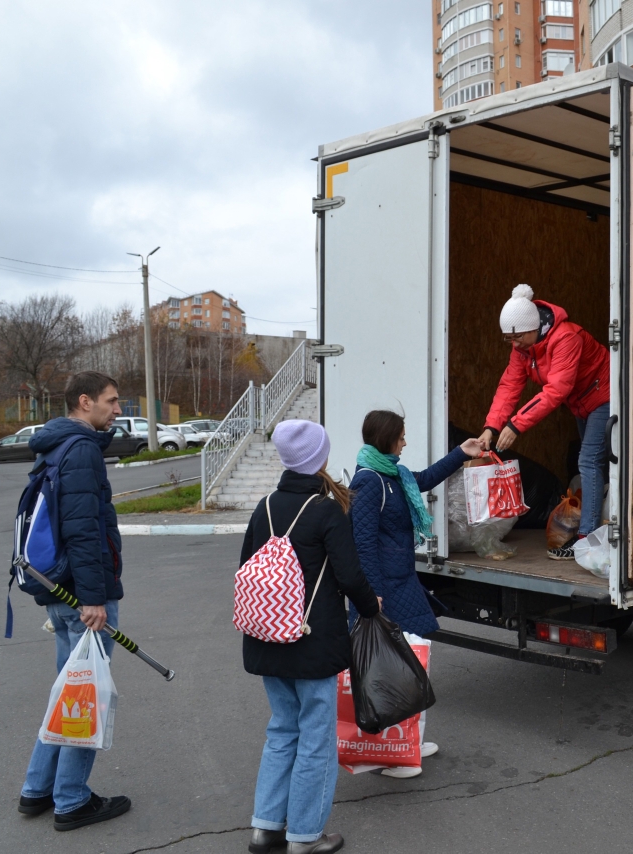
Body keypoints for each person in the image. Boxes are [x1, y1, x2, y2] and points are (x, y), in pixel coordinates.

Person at [241, 420, 380, 854]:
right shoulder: (323, 510)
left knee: (282, 730)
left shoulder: (263, 506)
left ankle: (266, 828)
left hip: (266, 637)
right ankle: (305, 836)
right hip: (311, 642)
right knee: (316, 738)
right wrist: (372, 607)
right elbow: (350, 574)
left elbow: (248, 567)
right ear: (318, 459)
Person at [18, 371, 131, 831]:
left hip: (57, 586)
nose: (118, 409)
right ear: (85, 402)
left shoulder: (55, 444)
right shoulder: (82, 449)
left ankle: (37, 789)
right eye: (112, 400)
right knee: (86, 694)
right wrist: (93, 599)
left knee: (69, 689)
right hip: (81, 594)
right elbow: (83, 530)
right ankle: (70, 799)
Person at [349, 410, 483, 779]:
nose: (405, 442)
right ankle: (392, 752)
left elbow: (423, 479)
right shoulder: (369, 482)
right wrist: (372, 595)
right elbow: (362, 545)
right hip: (386, 593)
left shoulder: (394, 475)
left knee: (412, 663)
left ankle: (407, 742)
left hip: (402, 584)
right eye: (401, 436)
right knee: (395, 670)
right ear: (386, 438)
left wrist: (461, 452)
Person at [480, 284, 610, 560]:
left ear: (532, 328)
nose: (514, 345)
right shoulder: (524, 348)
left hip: (603, 396)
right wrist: (492, 426)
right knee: (592, 464)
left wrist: (515, 425)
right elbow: (509, 386)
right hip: (580, 403)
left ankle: (587, 540)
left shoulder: (566, 337)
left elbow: (556, 391)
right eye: (508, 339)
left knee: (589, 461)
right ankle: (602, 526)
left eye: (517, 337)